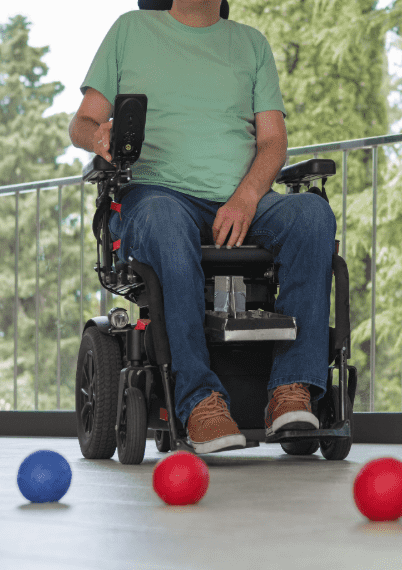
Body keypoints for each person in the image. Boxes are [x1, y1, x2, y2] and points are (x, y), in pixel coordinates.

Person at [69, 0, 336, 454]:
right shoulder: (131, 30)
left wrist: (246, 198)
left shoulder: (251, 44)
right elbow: (82, 122)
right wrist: (99, 136)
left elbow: (273, 141)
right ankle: (199, 402)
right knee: (164, 220)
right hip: (158, 195)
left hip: (243, 200)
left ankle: (291, 389)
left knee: (312, 215)